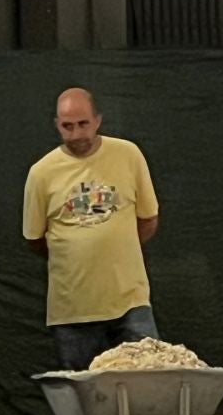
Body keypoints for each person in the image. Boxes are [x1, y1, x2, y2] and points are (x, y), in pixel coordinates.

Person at [22, 87, 160, 371]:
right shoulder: (41, 173)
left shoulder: (128, 155)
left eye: (83, 124)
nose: (76, 134)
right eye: (67, 126)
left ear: (98, 120)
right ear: (57, 125)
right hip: (72, 312)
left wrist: (117, 251)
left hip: (130, 303)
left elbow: (148, 219)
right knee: (83, 404)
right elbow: (35, 239)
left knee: (147, 387)